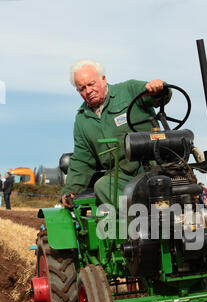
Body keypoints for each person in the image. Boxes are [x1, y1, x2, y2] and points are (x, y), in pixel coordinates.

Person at [61, 59, 172, 208]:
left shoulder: (129, 90)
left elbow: (158, 95)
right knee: (102, 186)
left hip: (153, 166)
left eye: (91, 84)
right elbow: (82, 159)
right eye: (82, 88)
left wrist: (159, 88)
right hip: (122, 176)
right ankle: (138, 223)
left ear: (103, 79)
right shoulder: (82, 120)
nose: (88, 91)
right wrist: (71, 190)